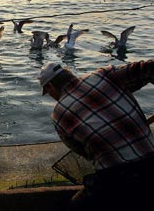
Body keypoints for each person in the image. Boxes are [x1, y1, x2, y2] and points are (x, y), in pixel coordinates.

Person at [39, 61, 154, 211]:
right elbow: (149, 68)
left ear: (50, 86)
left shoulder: (59, 115)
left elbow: (86, 153)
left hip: (114, 180)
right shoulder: (106, 75)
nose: (52, 97)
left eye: (48, 93)